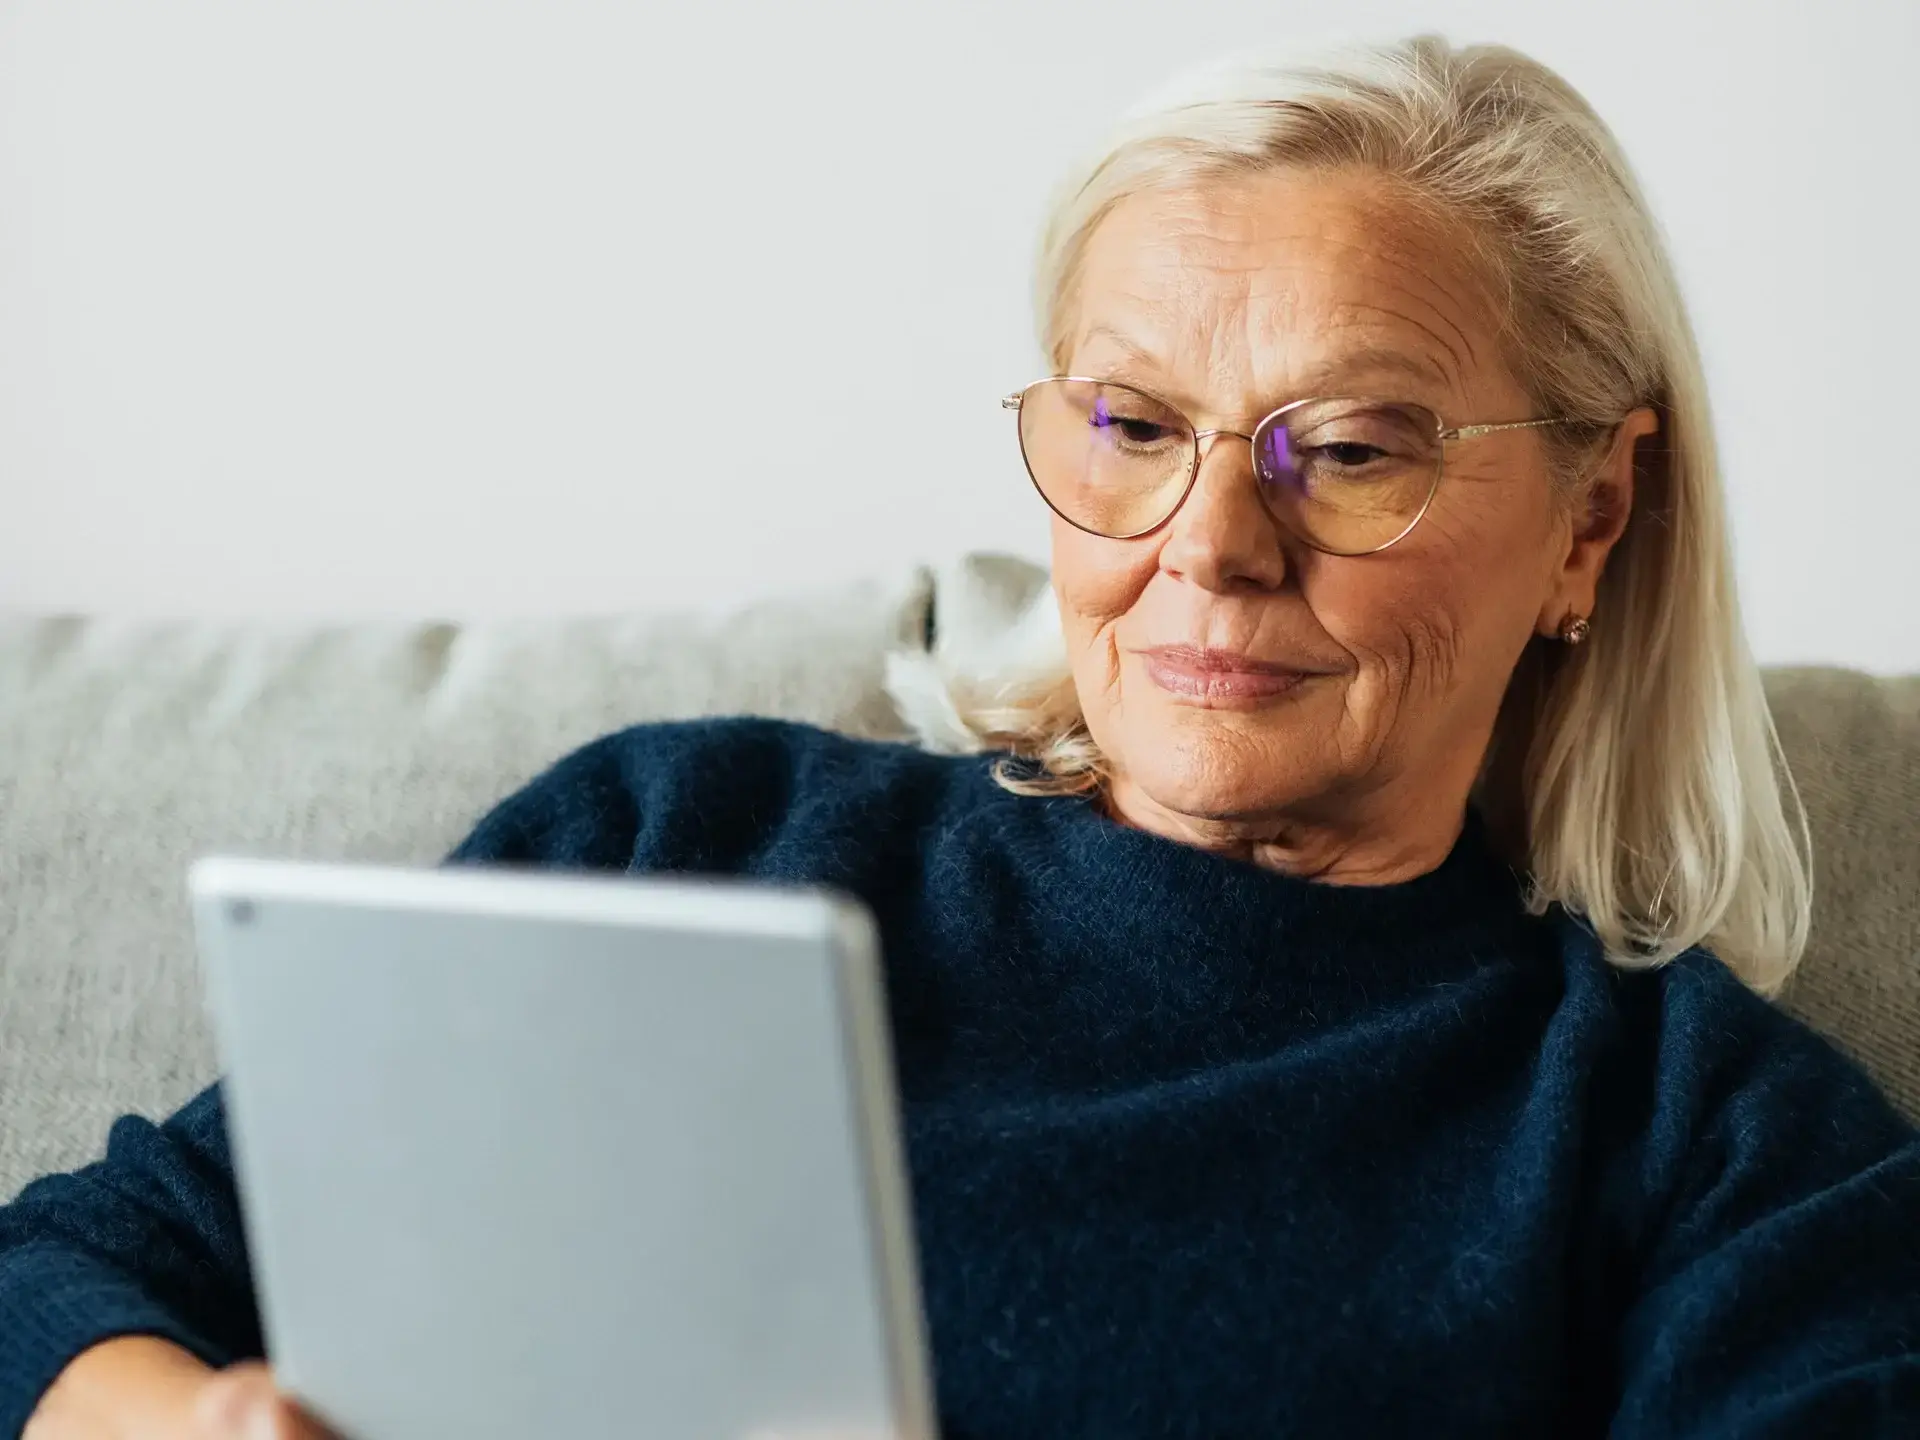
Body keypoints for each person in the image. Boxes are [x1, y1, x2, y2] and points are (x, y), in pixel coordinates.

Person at [7, 33, 1918, 1440]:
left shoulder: (1711, 1145)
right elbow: (69, 1268)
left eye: (1347, 452)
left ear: (1592, 517)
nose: (1212, 552)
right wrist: (183, 1428)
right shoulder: (693, 845)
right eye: (1134, 429)